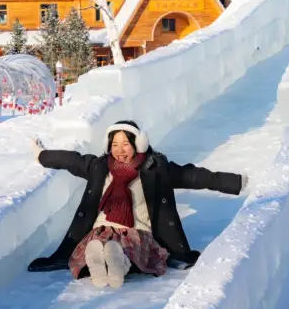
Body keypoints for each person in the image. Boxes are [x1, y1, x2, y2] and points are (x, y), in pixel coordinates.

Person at [28, 120, 249, 289]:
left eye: (125, 143)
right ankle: (99, 261)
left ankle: (117, 263)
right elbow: (71, 160)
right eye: (114, 144)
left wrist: (233, 181)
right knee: (97, 241)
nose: (120, 150)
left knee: (128, 248)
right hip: (103, 228)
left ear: (138, 144)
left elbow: (193, 176)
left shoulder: (155, 168)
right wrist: (41, 155)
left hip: (138, 231)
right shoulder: (100, 167)